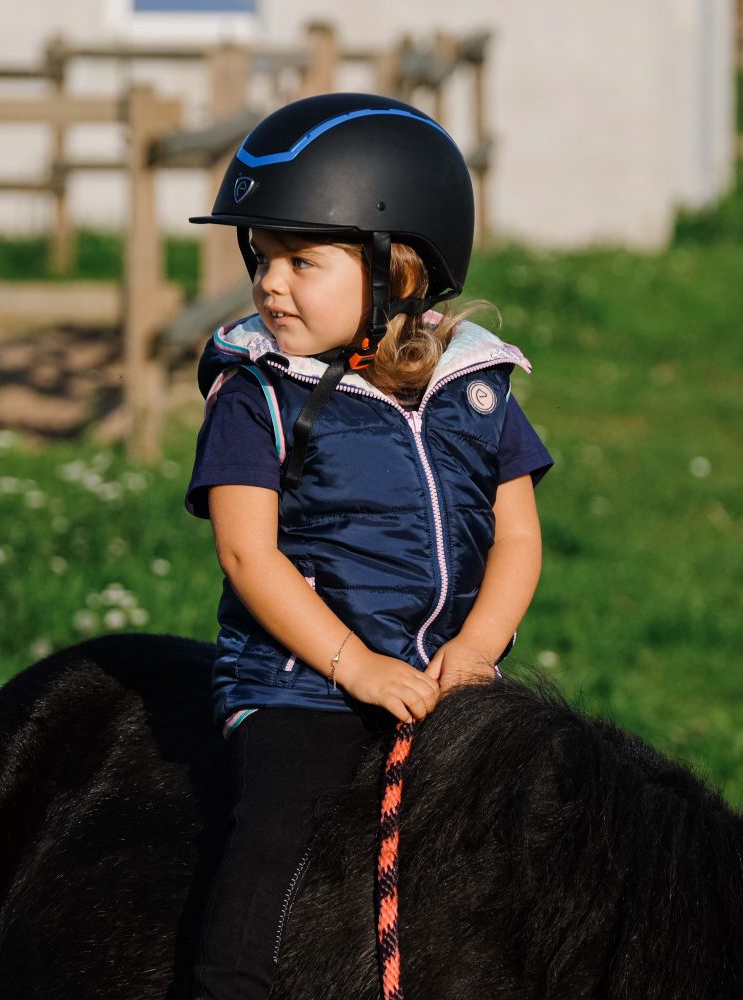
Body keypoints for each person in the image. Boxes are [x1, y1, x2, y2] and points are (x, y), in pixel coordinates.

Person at [184, 92, 552, 1000]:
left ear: (402, 270)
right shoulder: (257, 393)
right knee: (274, 839)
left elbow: (517, 536)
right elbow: (248, 556)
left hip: (448, 678)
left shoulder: (477, 389)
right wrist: (356, 667)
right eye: (262, 257)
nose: (270, 284)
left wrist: (477, 648)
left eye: (301, 260)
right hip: (304, 683)